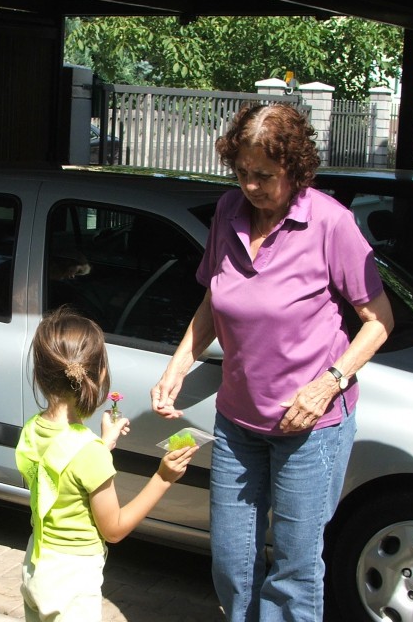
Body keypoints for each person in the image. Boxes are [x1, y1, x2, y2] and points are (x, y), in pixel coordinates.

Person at [151, 103, 394, 621]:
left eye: (264, 175)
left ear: (296, 168)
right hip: (238, 422)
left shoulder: (330, 222)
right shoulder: (227, 212)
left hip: (310, 426)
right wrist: (177, 367)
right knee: (231, 561)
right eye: (241, 172)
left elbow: (378, 321)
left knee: (295, 566)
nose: (251, 185)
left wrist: (329, 383)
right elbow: (212, 301)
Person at [15, 306, 198, 621]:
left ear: (40, 374)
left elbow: (60, 470)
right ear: (99, 375)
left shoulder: (33, 428)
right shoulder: (89, 453)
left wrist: (104, 444)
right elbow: (113, 529)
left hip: (37, 565)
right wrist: (163, 478)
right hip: (72, 579)